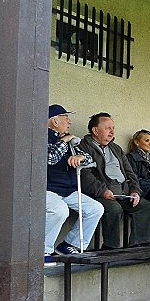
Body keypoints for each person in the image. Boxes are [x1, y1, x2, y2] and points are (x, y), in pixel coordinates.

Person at [79, 113, 150, 249]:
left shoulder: (116, 148)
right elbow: (85, 175)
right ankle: (110, 248)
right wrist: (102, 191)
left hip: (122, 192)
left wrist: (135, 191)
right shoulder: (83, 146)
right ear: (95, 130)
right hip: (99, 194)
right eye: (108, 128)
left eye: (113, 128)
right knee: (114, 208)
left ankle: (139, 246)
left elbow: (131, 174)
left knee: (144, 205)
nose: (112, 132)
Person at [45, 104, 104, 264]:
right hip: (48, 189)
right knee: (59, 210)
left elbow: (90, 159)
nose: (69, 121)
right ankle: (43, 251)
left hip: (67, 190)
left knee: (95, 209)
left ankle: (69, 245)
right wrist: (65, 141)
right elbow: (50, 158)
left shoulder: (70, 139)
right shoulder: (43, 136)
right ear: (55, 121)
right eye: (66, 118)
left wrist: (81, 158)